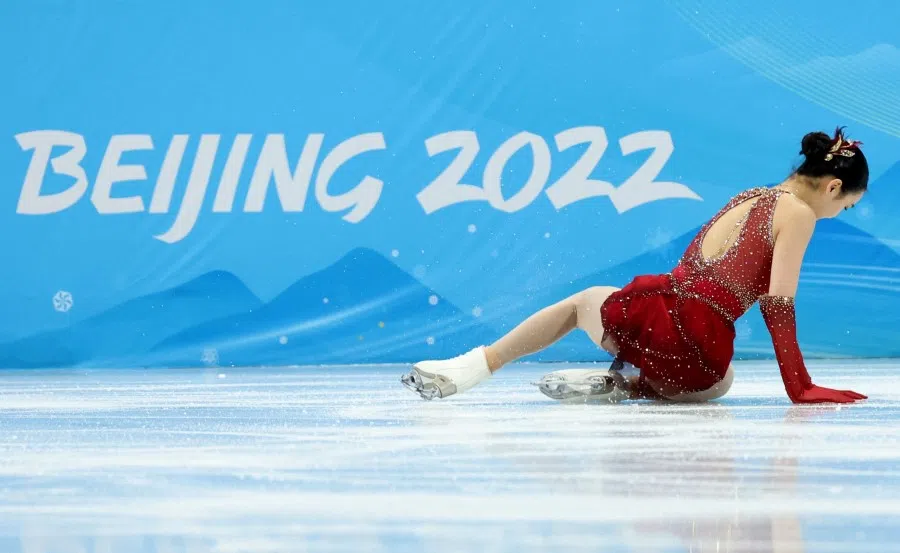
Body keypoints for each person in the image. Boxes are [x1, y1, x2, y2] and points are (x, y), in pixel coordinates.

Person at [401, 128, 870, 404]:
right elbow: (778, 304)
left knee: (584, 302)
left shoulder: (750, 196)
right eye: (846, 206)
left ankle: (476, 365)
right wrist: (800, 388)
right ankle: (626, 386)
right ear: (832, 187)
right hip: (699, 345)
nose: (839, 214)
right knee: (719, 382)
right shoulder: (800, 213)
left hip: (657, 313)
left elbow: (700, 269)